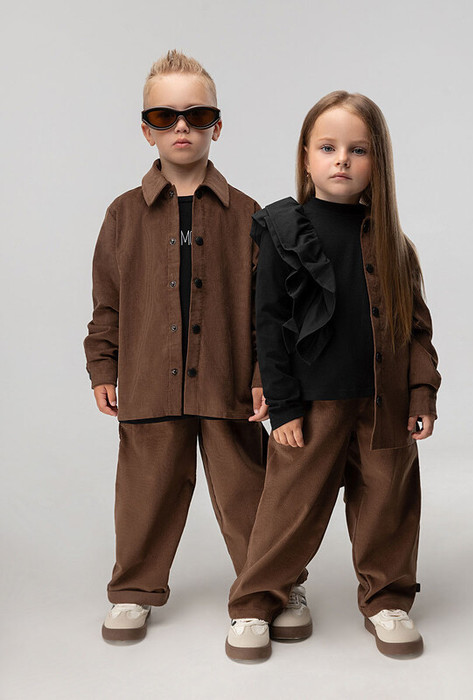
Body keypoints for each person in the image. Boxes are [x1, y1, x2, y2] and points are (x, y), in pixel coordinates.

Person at [225, 91, 441, 662]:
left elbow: (417, 329)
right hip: (310, 404)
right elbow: (268, 326)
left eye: (358, 149)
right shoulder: (280, 230)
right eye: (328, 147)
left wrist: (420, 393)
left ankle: (387, 600)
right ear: (306, 156)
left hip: (383, 403)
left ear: (377, 162)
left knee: (387, 505)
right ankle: (255, 602)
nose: (342, 159)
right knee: (288, 510)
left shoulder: (395, 245)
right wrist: (284, 406)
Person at [84, 49, 271, 642]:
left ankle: (270, 585)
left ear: (218, 125)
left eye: (197, 114)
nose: (182, 127)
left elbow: (268, 311)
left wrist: (265, 375)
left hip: (228, 380)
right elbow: (107, 301)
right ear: (147, 130)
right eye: (165, 117)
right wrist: (103, 366)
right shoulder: (122, 215)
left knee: (248, 490)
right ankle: (133, 590)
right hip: (148, 379)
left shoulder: (249, 215)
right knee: (144, 494)